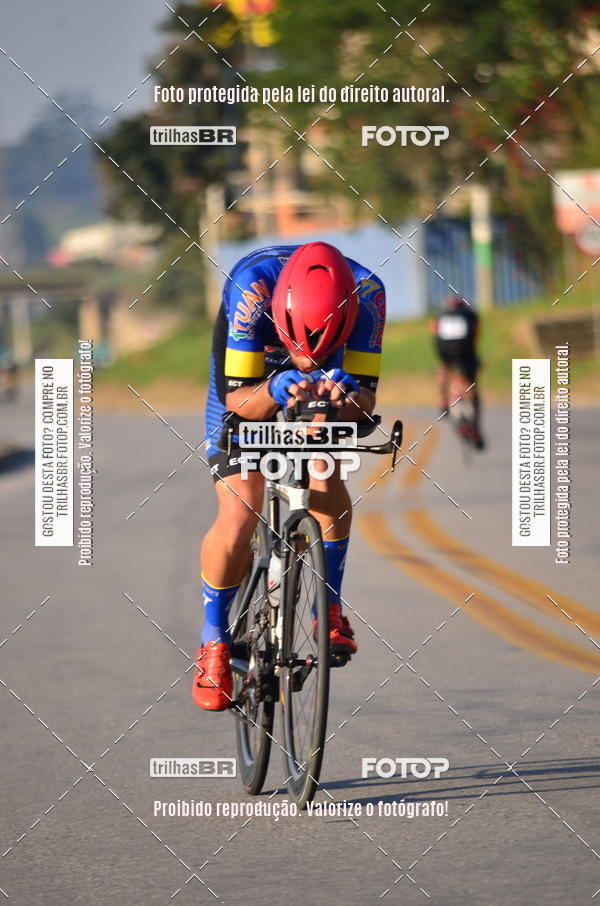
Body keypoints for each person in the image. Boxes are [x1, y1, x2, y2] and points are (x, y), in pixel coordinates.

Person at [194, 241, 386, 710]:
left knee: (324, 467)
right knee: (240, 511)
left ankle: (329, 608)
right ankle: (214, 641)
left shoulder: (368, 295)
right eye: (298, 347)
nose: (304, 357)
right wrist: (276, 386)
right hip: (253, 373)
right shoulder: (251, 290)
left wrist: (346, 395)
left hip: (333, 367)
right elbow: (240, 401)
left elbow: (366, 404)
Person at [430, 295, 484, 449]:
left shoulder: (441, 314)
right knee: (472, 384)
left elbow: (433, 329)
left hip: (444, 349)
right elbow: (475, 333)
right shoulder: (470, 314)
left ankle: (442, 400)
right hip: (465, 349)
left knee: (444, 367)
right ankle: (475, 427)